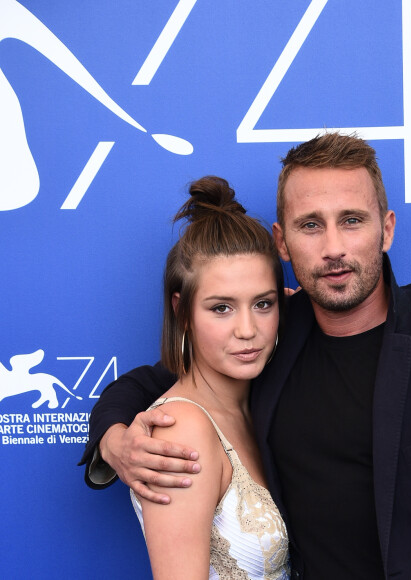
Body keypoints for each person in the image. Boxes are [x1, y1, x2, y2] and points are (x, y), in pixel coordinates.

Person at [80, 134, 411, 579]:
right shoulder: (272, 333)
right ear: (283, 243)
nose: (334, 247)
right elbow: (157, 382)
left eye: (352, 221)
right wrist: (113, 439)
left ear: (386, 230)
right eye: (311, 225)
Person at [121, 175, 289, 579]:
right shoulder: (181, 430)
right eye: (221, 308)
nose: (247, 329)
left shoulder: (259, 406)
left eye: (263, 304)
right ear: (182, 311)